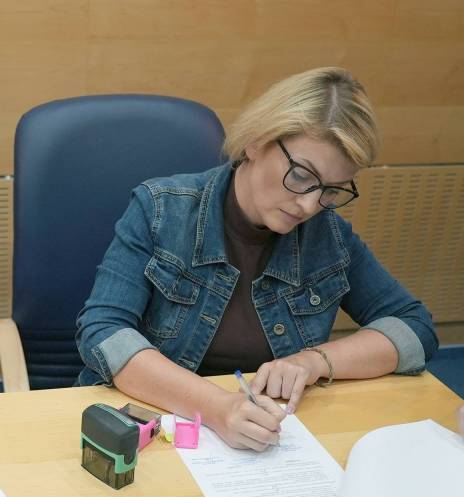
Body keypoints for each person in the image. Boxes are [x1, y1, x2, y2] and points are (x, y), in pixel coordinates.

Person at [76, 67, 437, 451]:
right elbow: (104, 331)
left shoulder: (328, 236)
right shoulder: (161, 210)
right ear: (255, 142)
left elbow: (414, 328)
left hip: (263, 436)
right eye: (301, 175)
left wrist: (313, 361)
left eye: (331, 191)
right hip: (155, 427)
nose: (309, 205)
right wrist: (216, 407)